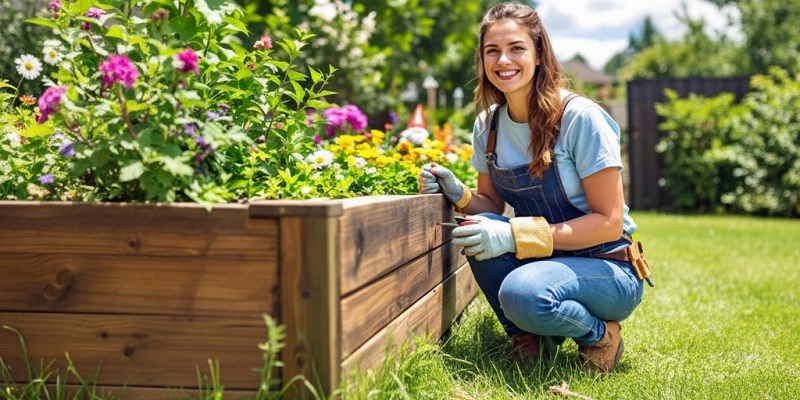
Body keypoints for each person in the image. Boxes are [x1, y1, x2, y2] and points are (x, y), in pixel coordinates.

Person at [418, 1, 650, 373]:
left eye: (516, 48)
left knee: (522, 293)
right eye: (492, 51)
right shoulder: (488, 126)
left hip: (607, 266)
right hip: (547, 260)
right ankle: (530, 338)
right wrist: (459, 194)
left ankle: (599, 334)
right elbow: (491, 204)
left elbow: (608, 222)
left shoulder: (579, 119)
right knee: (475, 235)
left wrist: (513, 236)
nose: (503, 60)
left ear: (539, 53)